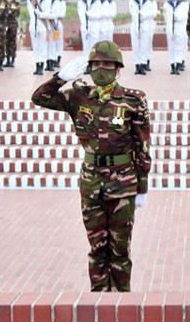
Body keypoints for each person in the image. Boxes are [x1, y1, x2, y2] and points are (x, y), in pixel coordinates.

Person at [31, 41, 151, 292]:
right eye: (96, 64)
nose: (101, 70)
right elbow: (39, 98)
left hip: (122, 182)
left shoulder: (134, 100)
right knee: (97, 248)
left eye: (107, 65)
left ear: (117, 69)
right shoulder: (78, 95)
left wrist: (142, 187)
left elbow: (142, 146)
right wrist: (60, 78)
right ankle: (99, 302)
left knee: (119, 250)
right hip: (91, 181)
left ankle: (121, 301)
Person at [128, 0, 158, 75]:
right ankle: (137, 66)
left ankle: (143, 65)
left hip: (145, 25)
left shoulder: (149, 2)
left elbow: (152, 13)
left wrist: (143, 15)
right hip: (135, 24)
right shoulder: (132, 2)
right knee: (136, 46)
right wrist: (138, 16)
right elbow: (132, 13)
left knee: (144, 45)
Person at [163, 0, 189, 75]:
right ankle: (172, 65)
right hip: (171, 26)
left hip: (180, 26)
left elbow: (185, 15)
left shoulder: (184, 4)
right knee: (171, 46)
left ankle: (178, 64)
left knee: (179, 45)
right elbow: (166, 15)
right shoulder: (167, 4)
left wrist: (176, 17)